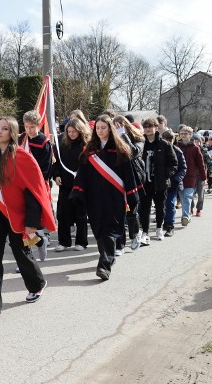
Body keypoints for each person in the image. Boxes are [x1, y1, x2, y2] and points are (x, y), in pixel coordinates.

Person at [0, 115, 53, 321]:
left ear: (13, 133)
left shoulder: (23, 157)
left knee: (21, 252)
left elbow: (33, 193)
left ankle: (37, 284)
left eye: (4, 129)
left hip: (19, 215)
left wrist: (31, 223)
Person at [71, 115, 139, 280]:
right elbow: (82, 173)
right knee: (98, 228)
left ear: (110, 129)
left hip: (114, 196)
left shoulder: (120, 149)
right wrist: (78, 192)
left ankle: (104, 265)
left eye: (103, 127)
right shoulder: (90, 149)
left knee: (109, 227)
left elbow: (129, 174)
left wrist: (132, 195)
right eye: (98, 128)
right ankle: (108, 256)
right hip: (94, 196)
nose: (100, 131)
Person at [18, 110, 53, 260]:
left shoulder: (44, 143)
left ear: (38, 125)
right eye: (26, 126)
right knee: (20, 220)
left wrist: (32, 181)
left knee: (30, 221)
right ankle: (39, 242)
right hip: (20, 185)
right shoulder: (21, 140)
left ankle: (27, 257)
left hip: (35, 187)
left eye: (32, 127)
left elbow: (45, 169)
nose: (29, 130)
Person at [51, 118, 90, 252]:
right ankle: (64, 242)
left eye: (74, 131)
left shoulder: (86, 146)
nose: (71, 134)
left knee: (80, 215)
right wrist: (56, 175)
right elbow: (56, 162)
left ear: (80, 131)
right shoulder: (62, 144)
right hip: (65, 186)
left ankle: (82, 242)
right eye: (69, 131)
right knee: (63, 214)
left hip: (81, 186)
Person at [137, 118, 177, 244]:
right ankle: (145, 232)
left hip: (160, 182)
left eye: (150, 126)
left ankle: (159, 227)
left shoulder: (164, 144)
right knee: (145, 208)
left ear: (156, 127)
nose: (148, 129)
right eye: (146, 127)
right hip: (145, 182)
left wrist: (166, 175)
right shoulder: (141, 144)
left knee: (160, 206)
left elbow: (173, 163)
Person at [112, 115, 145, 252]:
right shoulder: (110, 141)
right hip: (117, 178)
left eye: (119, 126)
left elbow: (134, 152)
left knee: (131, 211)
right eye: (114, 127)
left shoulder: (138, 139)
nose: (116, 129)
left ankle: (135, 234)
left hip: (132, 179)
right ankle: (119, 245)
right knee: (118, 212)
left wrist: (123, 136)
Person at [176, 127, 206, 226]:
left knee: (188, 196)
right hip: (179, 177)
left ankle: (185, 216)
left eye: (186, 133)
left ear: (190, 135)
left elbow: (200, 164)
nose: (183, 135)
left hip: (191, 176)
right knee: (182, 196)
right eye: (182, 133)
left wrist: (203, 177)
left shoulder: (195, 148)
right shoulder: (176, 146)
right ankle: (186, 215)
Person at [162, 130, 187, 237]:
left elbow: (183, 168)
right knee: (161, 205)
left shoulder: (178, 152)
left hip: (173, 183)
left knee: (170, 204)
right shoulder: (159, 151)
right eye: (166, 139)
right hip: (160, 182)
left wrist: (176, 179)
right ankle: (162, 222)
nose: (168, 141)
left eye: (170, 139)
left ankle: (169, 226)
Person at [192, 133, 212, 217]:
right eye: (194, 141)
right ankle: (190, 209)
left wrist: (211, 171)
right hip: (191, 175)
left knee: (201, 193)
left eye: (198, 141)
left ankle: (199, 209)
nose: (196, 143)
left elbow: (210, 162)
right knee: (190, 193)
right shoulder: (189, 150)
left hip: (201, 175)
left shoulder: (204, 151)